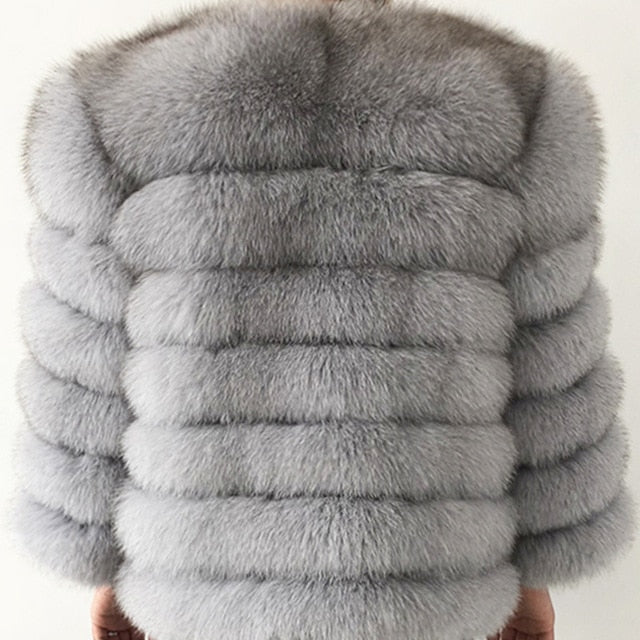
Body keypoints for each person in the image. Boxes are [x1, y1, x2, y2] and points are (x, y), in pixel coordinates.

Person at [11, 0, 637, 639]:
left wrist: (104, 572)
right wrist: (536, 581)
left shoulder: (106, 107)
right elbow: (552, 376)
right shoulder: (520, 103)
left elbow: (83, 385)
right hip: (425, 593)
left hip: (203, 593)